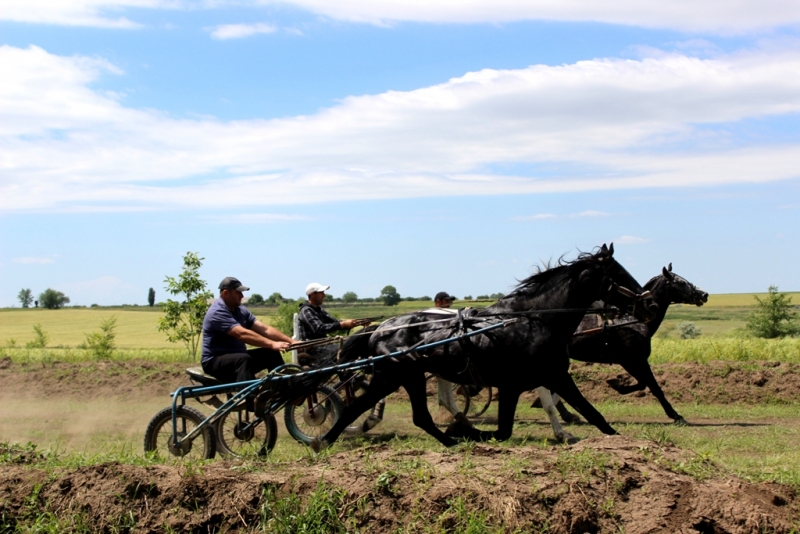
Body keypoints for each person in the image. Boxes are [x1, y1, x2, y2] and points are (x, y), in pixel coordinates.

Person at [201, 277, 296, 387]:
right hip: (214, 361)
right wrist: (272, 343)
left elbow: (265, 329)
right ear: (225, 293)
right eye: (238, 293)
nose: (242, 296)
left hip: (237, 358)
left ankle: (284, 390)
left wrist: (292, 341)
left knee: (271, 353)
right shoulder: (217, 312)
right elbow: (242, 334)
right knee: (243, 359)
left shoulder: (241, 310)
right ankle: (250, 400)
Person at [297, 282, 371, 341]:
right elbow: (319, 328)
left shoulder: (318, 309)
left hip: (322, 344)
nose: (324, 295)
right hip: (313, 348)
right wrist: (343, 324)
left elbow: (335, 322)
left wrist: (359, 322)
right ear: (312, 294)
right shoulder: (306, 310)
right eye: (321, 292)